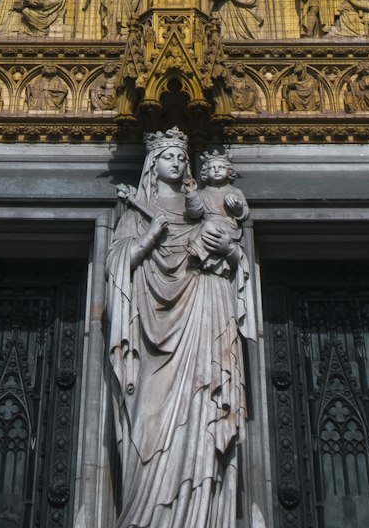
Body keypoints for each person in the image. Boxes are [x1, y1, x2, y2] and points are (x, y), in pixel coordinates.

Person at [106, 128, 253, 528]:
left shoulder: (204, 206)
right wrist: (153, 233)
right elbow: (120, 260)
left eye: (181, 157)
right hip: (152, 327)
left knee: (205, 407)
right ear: (153, 164)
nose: (178, 163)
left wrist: (230, 251)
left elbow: (235, 248)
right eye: (169, 157)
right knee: (148, 423)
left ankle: (205, 515)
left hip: (206, 311)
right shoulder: (139, 211)